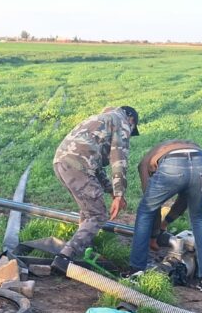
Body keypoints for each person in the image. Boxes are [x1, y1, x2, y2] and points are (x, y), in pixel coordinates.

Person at [51, 106, 139, 272]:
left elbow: (96, 165)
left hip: (61, 162)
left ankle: (82, 250)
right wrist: (119, 195)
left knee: (87, 211)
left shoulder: (102, 120)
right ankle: (64, 258)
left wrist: (111, 190)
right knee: (98, 214)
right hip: (78, 165)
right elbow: (118, 161)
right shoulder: (122, 122)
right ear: (131, 119)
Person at [128, 140, 202, 292]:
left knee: (144, 211)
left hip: (173, 165)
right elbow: (184, 201)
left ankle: (136, 271)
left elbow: (151, 208)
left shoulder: (145, 163)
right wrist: (165, 223)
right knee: (198, 217)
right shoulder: (189, 147)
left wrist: (154, 235)